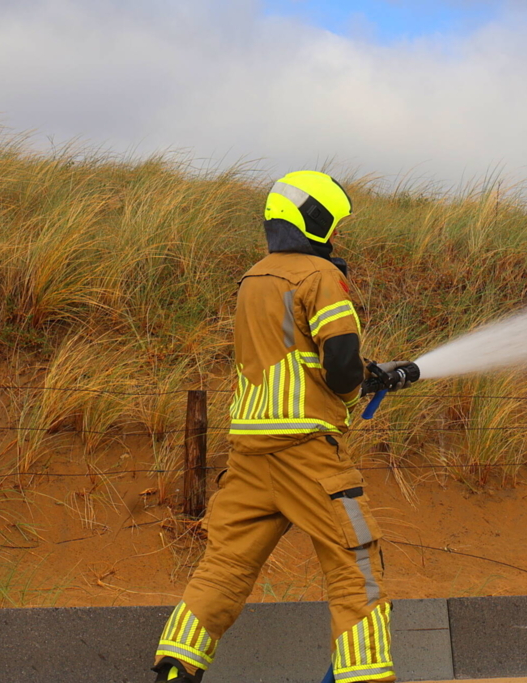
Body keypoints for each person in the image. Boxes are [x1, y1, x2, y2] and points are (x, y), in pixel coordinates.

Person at [152, 171, 411, 683]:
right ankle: (365, 677)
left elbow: (288, 354)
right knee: (355, 561)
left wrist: (357, 370)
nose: (336, 236)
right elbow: (339, 366)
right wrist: (356, 383)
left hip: (249, 454)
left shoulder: (254, 277)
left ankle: (176, 669)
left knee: (224, 568)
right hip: (307, 451)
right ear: (317, 222)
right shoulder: (320, 277)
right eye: (334, 225)